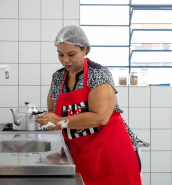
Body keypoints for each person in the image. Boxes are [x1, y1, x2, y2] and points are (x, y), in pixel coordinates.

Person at [35, 25, 142, 185]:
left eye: (71, 54)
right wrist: (50, 121)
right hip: (82, 156)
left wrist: (60, 122)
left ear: (84, 49)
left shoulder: (98, 74)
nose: (65, 60)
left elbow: (100, 117)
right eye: (60, 54)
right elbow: (53, 112)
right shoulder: (58, 77)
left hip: (112, 154)